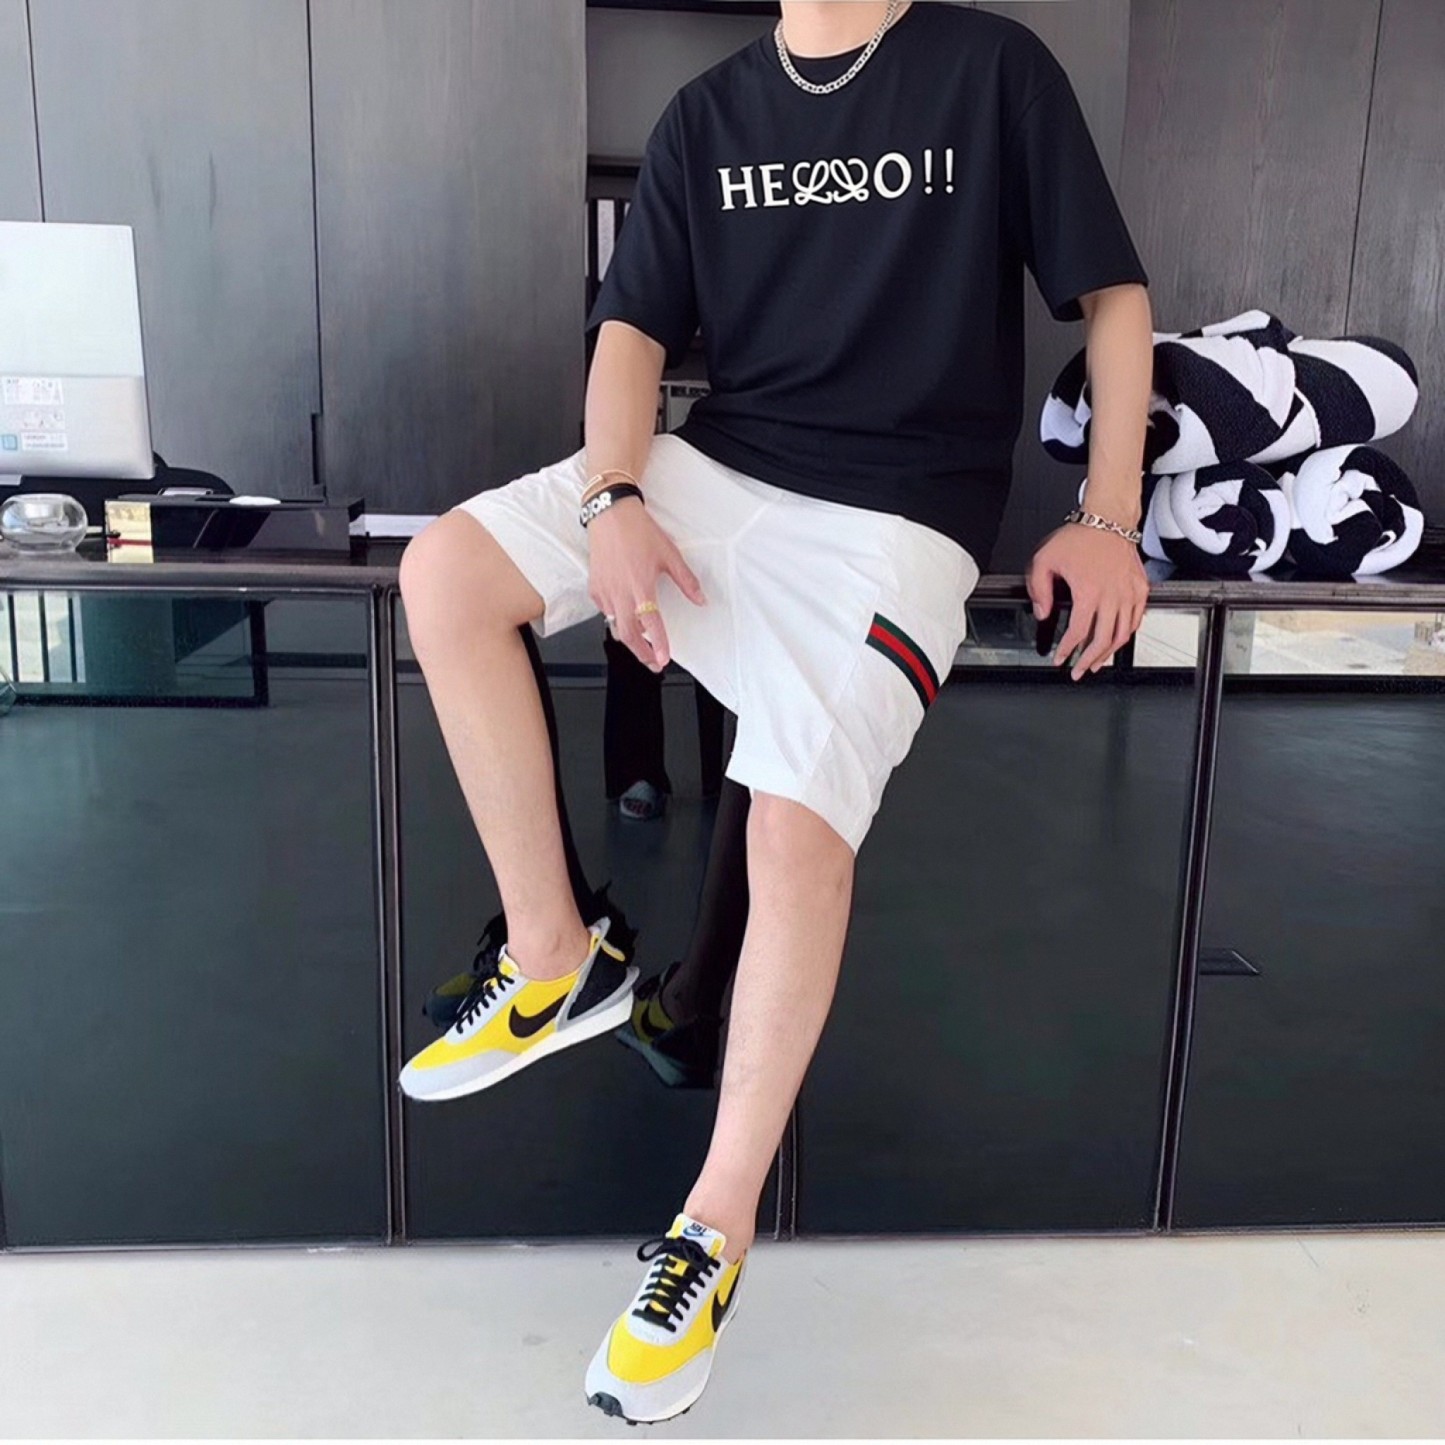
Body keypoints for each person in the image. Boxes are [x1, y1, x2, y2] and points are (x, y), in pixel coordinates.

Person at [397, 0, 1154, 1423]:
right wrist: (614, 495)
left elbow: (1112, 297)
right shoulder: (706, 114)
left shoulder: (991, 68)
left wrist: (1108, 514)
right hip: (719, 470)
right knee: (444, 574)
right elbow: (631, 331)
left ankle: (711, 1230)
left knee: (796, 824)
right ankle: (556, 956)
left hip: (898, 520)